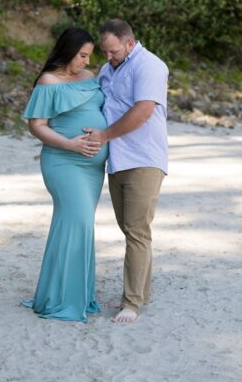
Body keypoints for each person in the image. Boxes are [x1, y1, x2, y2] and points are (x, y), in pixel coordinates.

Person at [82, 19, 169, 324]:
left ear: (129, 43)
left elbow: (144, 111)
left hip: (144, 158)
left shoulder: (150, 66)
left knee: (136, 231)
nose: (108, 57)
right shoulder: (108, 70)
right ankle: (141, 293)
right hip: (117, 160)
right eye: (104, 52)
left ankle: (131, 303)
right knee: (131, 229)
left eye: (113, 51)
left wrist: (103, 136)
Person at [20, 28, 106, 322]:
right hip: (62, 162)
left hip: (92, 167)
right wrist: (70, 144)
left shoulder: (89, 78)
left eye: (88, 56)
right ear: (68, 51)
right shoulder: (49, 81)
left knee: (76, 225)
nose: (85, 61)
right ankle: (62, 301)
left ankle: (68, 295)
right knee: (78, 221)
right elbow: (37, 125)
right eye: (82, 55)